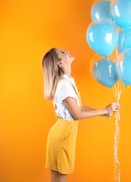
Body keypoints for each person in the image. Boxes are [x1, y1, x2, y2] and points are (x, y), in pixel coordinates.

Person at [42, 47, 120, 182]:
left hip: (64, 134)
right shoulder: (64, 85)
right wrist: (104, 110)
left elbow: (80, 107)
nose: (66, 50)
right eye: (62, 52)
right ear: (59, 63)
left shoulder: (68, 81)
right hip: (63, 136)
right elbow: (77, 114)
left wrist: (103, 112)